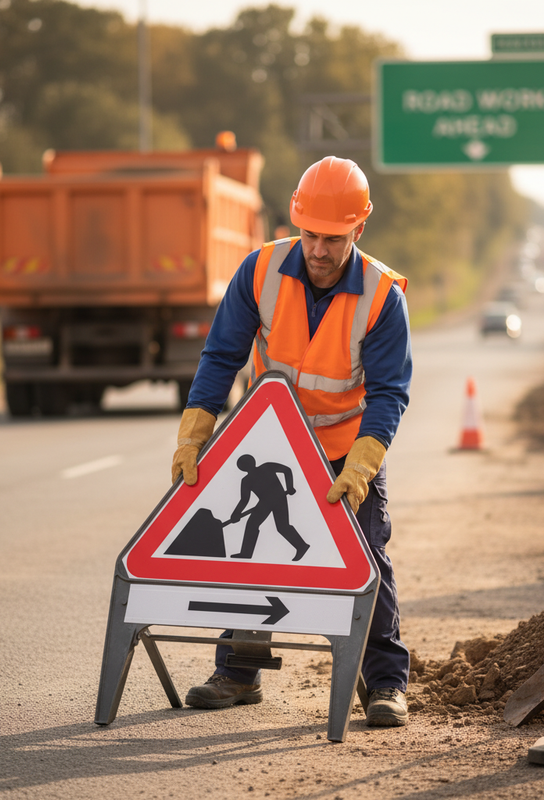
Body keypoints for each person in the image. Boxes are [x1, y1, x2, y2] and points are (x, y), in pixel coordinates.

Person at [171, 156, 412, 727]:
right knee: (251, 547)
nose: (319, 251)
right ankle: (237, 671)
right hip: (272, 443)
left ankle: (384, 685)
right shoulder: (259, 271)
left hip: (342, 452)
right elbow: (221, 358)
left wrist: (359, 471)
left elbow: (388, 396)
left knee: (365, 557)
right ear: (295, 222)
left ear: (360, 227)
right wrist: (192, 437)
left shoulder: (382, 297)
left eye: (333, 238)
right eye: (309, 234)